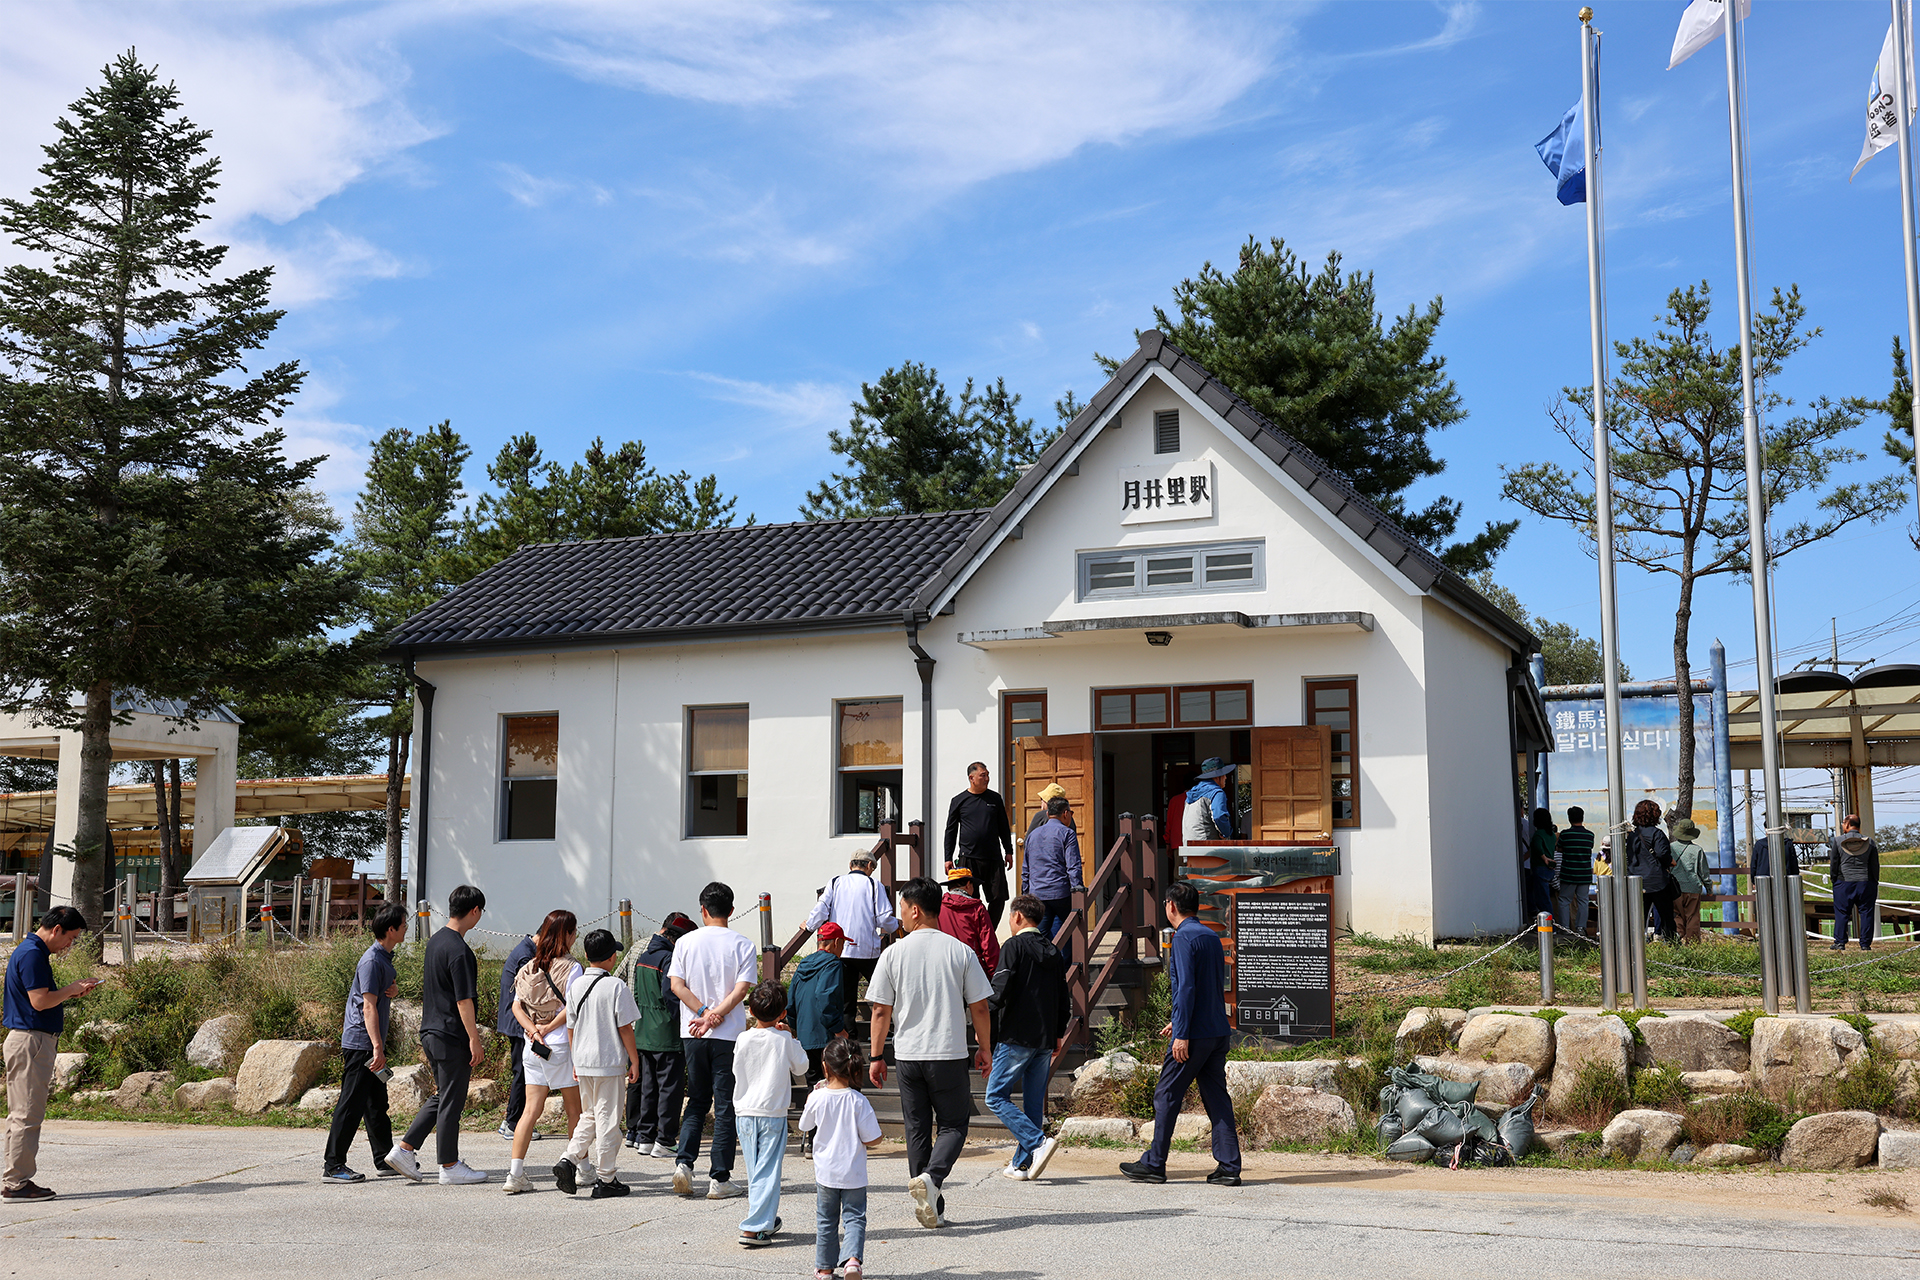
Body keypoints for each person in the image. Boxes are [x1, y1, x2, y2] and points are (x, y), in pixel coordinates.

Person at [867, 876, 992, 1229]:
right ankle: (933, 1179)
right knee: (954, 1124)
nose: (900, 915)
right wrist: (984, 1047)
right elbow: (980, 1007)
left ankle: (932, 1202)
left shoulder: (893, 953)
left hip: (908, 1054)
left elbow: (880, 1010)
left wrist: (876, 1056)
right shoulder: (960, 951)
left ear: (915, 910)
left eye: (902, 908)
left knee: (917, 1128)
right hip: (948, 1051)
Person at [1120, 880, 1241, 1187]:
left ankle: (1154, 1163)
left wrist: (1182, 1033)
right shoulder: (1211, 936)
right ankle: (1229, 1166)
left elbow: (1186, 987)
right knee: (1217, 1098)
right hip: (1217, 1030)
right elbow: (1208, 987)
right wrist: (1178, 1021)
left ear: (1171, 906)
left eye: (1165, 903)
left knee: (1166, 1094)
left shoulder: (1184, 937)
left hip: (1195, 1034)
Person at [386, 884, 488, 1185]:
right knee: (452, 1101)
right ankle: (449, 1164)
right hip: (451, 1034)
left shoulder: (436, 941)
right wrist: (474, 1038)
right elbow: (463, 1000)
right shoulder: (459, 950)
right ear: (475, 911)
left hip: (431, 1030)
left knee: (444, 1095)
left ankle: (405, 1149)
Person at [3, 906, 102, 1202]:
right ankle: (16, 1184)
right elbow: (40, 1001)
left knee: (21, 1113)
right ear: (56, 929)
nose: (69, 944)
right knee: (27, 1113)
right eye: (70, 937)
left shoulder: (30, 951)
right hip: (32, 1041)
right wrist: (71, 989)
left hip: (28, 1040)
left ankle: (15, 1179)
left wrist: (72, 992)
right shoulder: (33, 954)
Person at [668, 881, 758, 1200]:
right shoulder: (743, 944)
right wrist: (716, 1015)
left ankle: (684, 1164)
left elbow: (677, 986)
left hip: (693, 1032)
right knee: (725, 1105)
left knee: (696, 1100)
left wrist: (703, 1013)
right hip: (728, 1035)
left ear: (703, 910)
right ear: (731, 910)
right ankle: (719, 1178)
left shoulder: (685, 942)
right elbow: (742, 989)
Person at [986, 894, 1068, 1182]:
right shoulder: (1053, 951)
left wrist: (977, 1014)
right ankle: (1022, 1164)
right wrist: (1058, 1033)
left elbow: (999, 990)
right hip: (1045, 1037)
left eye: (1010, 917)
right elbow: (1063, 996)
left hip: (1016, 1035)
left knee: (995, 1096)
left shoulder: (1013, 946)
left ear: (1018, 916)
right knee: (1033, 1103)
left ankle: (1038, 1142)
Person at [322, 903, 407, 1183]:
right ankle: (333, 1165)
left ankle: (384, 1160)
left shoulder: (384, 958)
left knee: (376, 1104)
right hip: (362, 1044)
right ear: (391, 929)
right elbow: (367, 1007)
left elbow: (375, 994)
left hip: (370, 1043)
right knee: (351, 1104)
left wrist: (392, 989)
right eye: (403, 925)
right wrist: (377, 1047)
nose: (406, 928)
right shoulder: (372, 960)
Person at [502, 909, 583, 1193]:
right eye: (574, 931)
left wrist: (534, 1031)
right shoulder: (572, 968)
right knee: (575, 1111)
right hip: (561, 1046)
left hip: (533, 1047)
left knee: (529, 1111)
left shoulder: (529, 966)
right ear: (567, 935)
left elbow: (516, 1006)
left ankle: (515, 1174)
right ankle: (580, 1167)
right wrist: (548, 1028)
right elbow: (571, 1008)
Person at [556, 928, 641, 1199]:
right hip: (608, 1062)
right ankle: (606, 1178)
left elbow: (570, 1027)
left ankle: (569, 1158)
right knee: (608, 1120)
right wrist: (634, 1060)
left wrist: (575, 1059)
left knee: (590, 1115)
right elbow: (625, 1028)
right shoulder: (616, 986)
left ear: (586, 954)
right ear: (612, 957)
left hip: (583, 1061)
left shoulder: (576, 986)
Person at [733, 980, 809, 1247]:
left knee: (755, 1169)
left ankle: (765, 1218)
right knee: (768, 1169)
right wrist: (792, 1037)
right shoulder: (784, 1039)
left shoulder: (742, 1038)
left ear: (751, 1011)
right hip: (772, 1112)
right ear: (783, 1013)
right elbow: (801, 1067)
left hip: (744, 1111)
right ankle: (755, 1227)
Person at [801, 1037, 882, 1280]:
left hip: (826, 1172)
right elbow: (873, 1139)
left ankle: (825, 1269)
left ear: (825, 1067)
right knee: (854, 1217)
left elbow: (805, 1125)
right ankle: (852, 1262)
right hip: (854, 1173)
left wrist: (811, 1098)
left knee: (826, 1220)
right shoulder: (859, 1101)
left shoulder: (817, 1097)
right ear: (854, 1068)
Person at [620, 910, 695, 1156]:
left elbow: (635, 993)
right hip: (666, 1034)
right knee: (670, 1089)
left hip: (643, 1032)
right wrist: (681, 1020)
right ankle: (665, 1140)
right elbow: (671, 995)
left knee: (648, 1088)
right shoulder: (669, 959)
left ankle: (645, 1137)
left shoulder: (644, 956)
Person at [804, 851, 899, 1029]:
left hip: (840, 949)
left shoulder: (835, 882)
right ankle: (888, 1028)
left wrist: (809, 925)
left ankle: (849, 1036)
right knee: (883, 992)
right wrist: (897, 926)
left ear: (850, 865)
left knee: (846, 999)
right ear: (869, 865)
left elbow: (822, 909)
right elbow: (884, 918)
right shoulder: (874, 884)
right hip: (867, 950)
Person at [789, 921, 850, 1145]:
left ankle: (811, 1140)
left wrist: (796, 1029)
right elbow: (825, 998)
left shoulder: (802, 965)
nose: (842, 949)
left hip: (805, 1037)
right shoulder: (833, 964)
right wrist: (838, 1028)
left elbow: (790, 1003)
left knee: (813, 1087)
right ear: (836, 942)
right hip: (826, 1036)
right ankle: (826, 1140)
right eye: (842, 944)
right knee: (832, 1086)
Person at [943, 762, 1014, 927]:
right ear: (971, 778)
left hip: (993, 858)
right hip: (968, 858)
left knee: (998, 898)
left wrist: (1008, 851)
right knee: (970, 899)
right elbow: (951, 831)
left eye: (988, 775)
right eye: (983, 775)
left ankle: (988, 931)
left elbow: (1003, 827)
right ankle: (974, 933)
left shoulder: (995, 799)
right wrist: (948, 857)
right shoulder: (959, 801)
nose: (987, 778)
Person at [1021, 795, 1084, 943]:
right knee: (1065, 936)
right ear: (1066, 813)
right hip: (1060, 893)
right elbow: (1073, 866)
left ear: (1048, 813)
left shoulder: (1032, 835)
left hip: (1037, 893)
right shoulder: (1067, 833)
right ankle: (1063, 959)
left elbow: (1026, 869)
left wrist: (1026, 893)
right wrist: (1078, 891)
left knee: (1040, 938)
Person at [495, 929, 536, 1141]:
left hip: (515, 1021)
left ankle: (510, 1121)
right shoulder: (525, 956)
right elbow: (530, 993)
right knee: (523, 1073)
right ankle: (514, 1123)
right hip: (518, 1022)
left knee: (521, 1071)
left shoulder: (525, 950)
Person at [1625, 800, 1676, 941]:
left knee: (1637, 919)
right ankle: (1671, 944)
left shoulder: (1632, 835)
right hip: (1657, 881)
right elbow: (1662, 854)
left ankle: (1635, 946)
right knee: (1667, 918)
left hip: (1636, 881)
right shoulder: (1657, 834)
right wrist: (1670, 861)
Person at [1830, 814, 1881, 951]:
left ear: (1847, 824)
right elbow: (1874, 865)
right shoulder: (1869, 842)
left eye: (1843, 823)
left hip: (1844, 882)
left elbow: (1834, 864)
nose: (1842, 825)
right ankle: (1865, 944)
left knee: (1842, 912)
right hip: (1865, 882)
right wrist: (1874, 881)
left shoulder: (1838, 841)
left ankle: (1840, 942)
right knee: (1866, 912)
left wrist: (1834, 880)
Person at [938, 867, 1000, 976]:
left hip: (944, 968)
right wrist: (994, 974)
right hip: (972, 968)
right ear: (968, 885)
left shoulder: (938, 908)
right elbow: (989, 945)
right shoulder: (977, 908)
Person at [1668, 817, 1713, 944]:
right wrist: (1709, 889)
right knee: (1693, 917)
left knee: (1676, 915)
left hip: (1675, 888)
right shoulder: (1697, 850)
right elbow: (1704, 873)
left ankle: (1678, 941)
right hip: (1693, 887)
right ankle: (1693, 945)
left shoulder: (1671, 848)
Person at [1555, 806, 1596, 937]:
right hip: (1584, 874)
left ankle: (1565, 928)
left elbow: (1559, 848)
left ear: (1569, 818)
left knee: (1564, 900)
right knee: (1583, 901)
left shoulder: (1565, 834)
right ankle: (1580, 928)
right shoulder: (1590, 835)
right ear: (1582, 818)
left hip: (1568, 874)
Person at [1181, 758, 1237, 841]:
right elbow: (1219, 816)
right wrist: (1226, 833)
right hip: (1207, 844)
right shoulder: (1216, 792)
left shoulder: (1192, 793)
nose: (1225, 777)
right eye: (1224, 774)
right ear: (1217, 777)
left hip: (1188, 843)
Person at [1524, 808, 1556, 921]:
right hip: (1550, 870)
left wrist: (1543, 858)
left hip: (1540, 868)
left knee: (1543, 900)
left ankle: (1549, 926)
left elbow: (1537, 846)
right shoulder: (1551, 834)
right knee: (1543, 897)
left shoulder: (1538, 834)